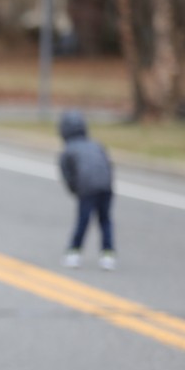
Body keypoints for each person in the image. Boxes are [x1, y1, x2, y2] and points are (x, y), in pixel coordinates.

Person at [58, 109, 116, 270]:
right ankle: (108, 254)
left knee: (83, 220)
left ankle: (74, 252)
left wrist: (76, 190)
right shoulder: (96, 144)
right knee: (105, 220)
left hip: (87, 189)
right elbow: (108, 165)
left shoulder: (68, 151)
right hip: (106, 186)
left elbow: (69, 177)